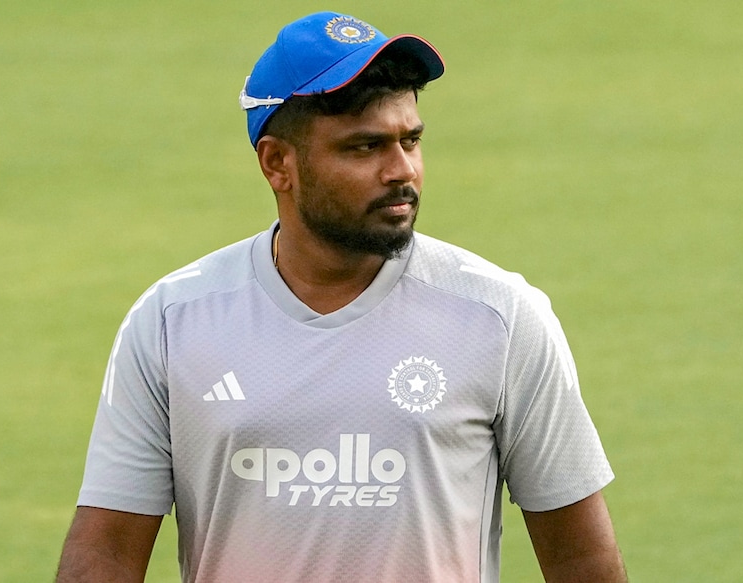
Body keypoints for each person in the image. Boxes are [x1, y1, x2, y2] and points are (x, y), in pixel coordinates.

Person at [56, 11, 626, 583]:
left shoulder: (500, 317)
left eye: (411, 140)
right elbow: (105, 552)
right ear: (278, 163)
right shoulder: (172, 321)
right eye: (365, 147)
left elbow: (582, 560)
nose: (402, 170)